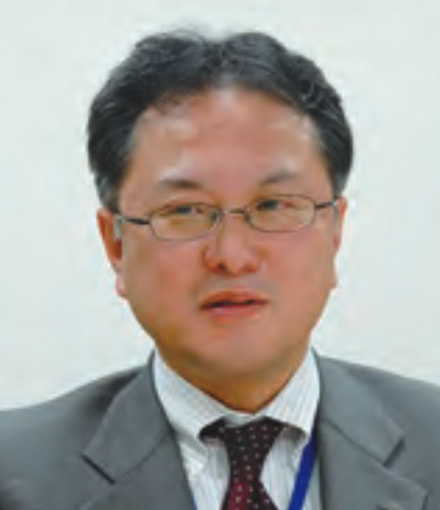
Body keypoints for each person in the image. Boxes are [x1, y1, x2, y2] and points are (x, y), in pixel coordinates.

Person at [1, 30, 439, 510]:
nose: (232, 255)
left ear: (334, 232)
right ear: (116, 245)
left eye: (274, 205)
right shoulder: (15, 474)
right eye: (185, 211)